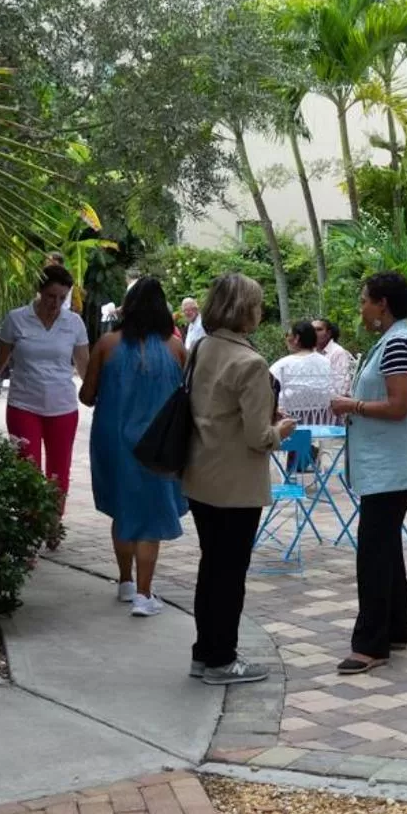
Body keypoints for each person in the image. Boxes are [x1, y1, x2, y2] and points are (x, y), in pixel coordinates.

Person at [181, 273, 295, 685]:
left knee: (211, 566)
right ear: (245, 310)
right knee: (229, 574)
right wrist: (281, 430)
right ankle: (222, 658)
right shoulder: (250, 362)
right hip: (235, 484)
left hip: (201, 472)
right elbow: (257, 437)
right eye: (258, 305)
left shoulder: (202, 347)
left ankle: (204, 652)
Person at [329, 271, 407, 675]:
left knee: (373, 550)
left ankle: (370, 645)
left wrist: (351, 405)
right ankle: (394, 629)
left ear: (382, 305)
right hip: (388, 465)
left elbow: (398, 406)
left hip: (391, 467)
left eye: (364, 301)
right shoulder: (393, 340)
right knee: (385, 545)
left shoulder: (398, 343)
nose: (361, 308)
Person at [83, 277, 188, 616]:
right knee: (151, 516)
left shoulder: (107, 344)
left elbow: (86, 395)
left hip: (113, 440)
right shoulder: (176, 349)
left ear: (127, 309)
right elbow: (188, 397)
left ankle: (126, 582)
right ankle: (144, 595)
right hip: (159, 445)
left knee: (123, 507)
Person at [0, 266, 92, 537]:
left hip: (62, 406)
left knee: (59, 469)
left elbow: (85, 365)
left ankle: (52, 524)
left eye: (62, 298)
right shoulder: (17, 319)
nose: (55, 303)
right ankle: (29, 531)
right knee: (26, 468)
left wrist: (95, 395)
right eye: (51, 296)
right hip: (24, 404)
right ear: (39, 291)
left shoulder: (74, 323)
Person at [270, 320, 339, 429]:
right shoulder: (326, 362)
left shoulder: (282, 365)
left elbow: (266, 388)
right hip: (323, 422)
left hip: (288, 422)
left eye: (288, 335)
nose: (286, 339)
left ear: (296, 338)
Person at [311, 317, 356, 392]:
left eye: (319, 329)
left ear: (328, 333)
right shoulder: (311, 351)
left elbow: (341, 387)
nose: (314, 333)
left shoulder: (338, 353)